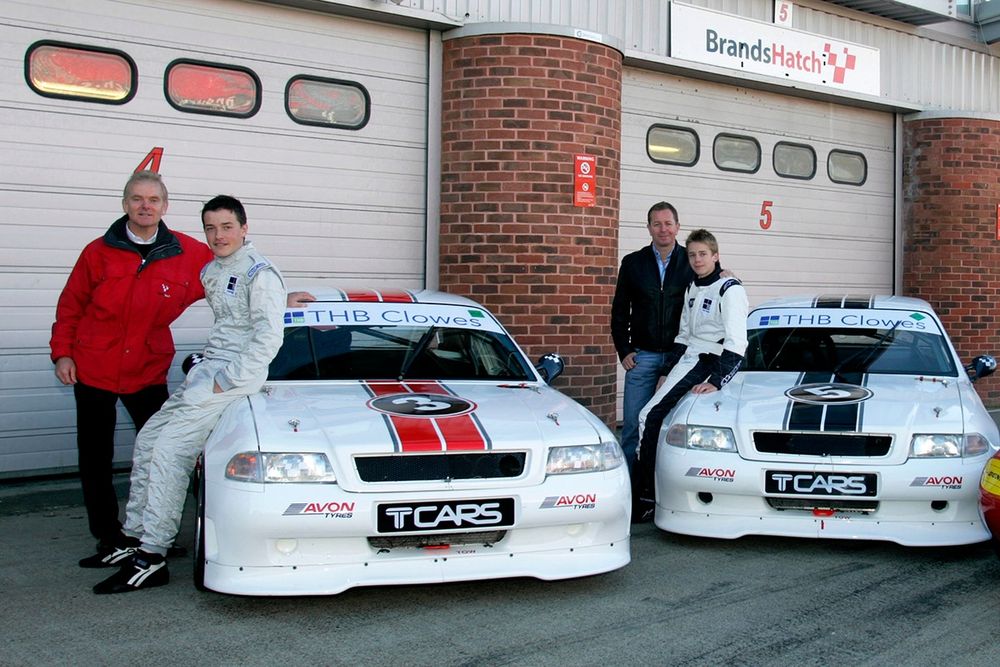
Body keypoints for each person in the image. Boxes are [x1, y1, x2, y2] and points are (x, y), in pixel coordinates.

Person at [93, 194, 287, 594]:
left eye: (227, 227)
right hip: (207, 371)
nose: (219, 235)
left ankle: (153, 555)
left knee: (170, 451)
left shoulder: (261, 273)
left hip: (231, 376)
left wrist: (228, 379)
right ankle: (135, 536)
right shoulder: (212, 270)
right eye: (211, 228)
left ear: (245, 228)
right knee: (148, 440)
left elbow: (268, 335)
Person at [50, 171, 214, 567]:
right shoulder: (97, 252)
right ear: (125, 204)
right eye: (137, 199)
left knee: (167, 453)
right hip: (93, 368)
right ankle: (109, 538)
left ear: (165, 206)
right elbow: (71, 305)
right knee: (95, 459)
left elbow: (237, 275)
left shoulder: (189, 252)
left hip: (147, 369)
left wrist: (283, 297)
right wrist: (63, 354)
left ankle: (160, 533)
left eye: (153, 199)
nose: (145, 206)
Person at [633, 229, 748, 519]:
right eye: (693, 254)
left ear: (716, 255)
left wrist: (715, 380)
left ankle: (645, 497)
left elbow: (737, 343)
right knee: (660, 419)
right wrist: (665, 371)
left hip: (710, 361)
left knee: (649, 415)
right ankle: (654, 491)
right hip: (689, 357)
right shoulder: (692, 288)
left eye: (703, 254)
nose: (697, 260)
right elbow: (683, 336)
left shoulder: (729, 289)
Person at [611, 202, 693, 472]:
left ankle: (665, 483)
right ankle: (632, 487)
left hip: (679, 358)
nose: (663, 229)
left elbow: (713, 292)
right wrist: (624, 350)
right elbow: (620, 310)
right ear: (648, 228)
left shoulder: (691, 262)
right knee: (633, 423)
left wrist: (726, 276)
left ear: (678, 227)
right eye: (657, 224)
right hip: (643, 357)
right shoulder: (633, 263)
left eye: (668, 223)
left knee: (676, 424)